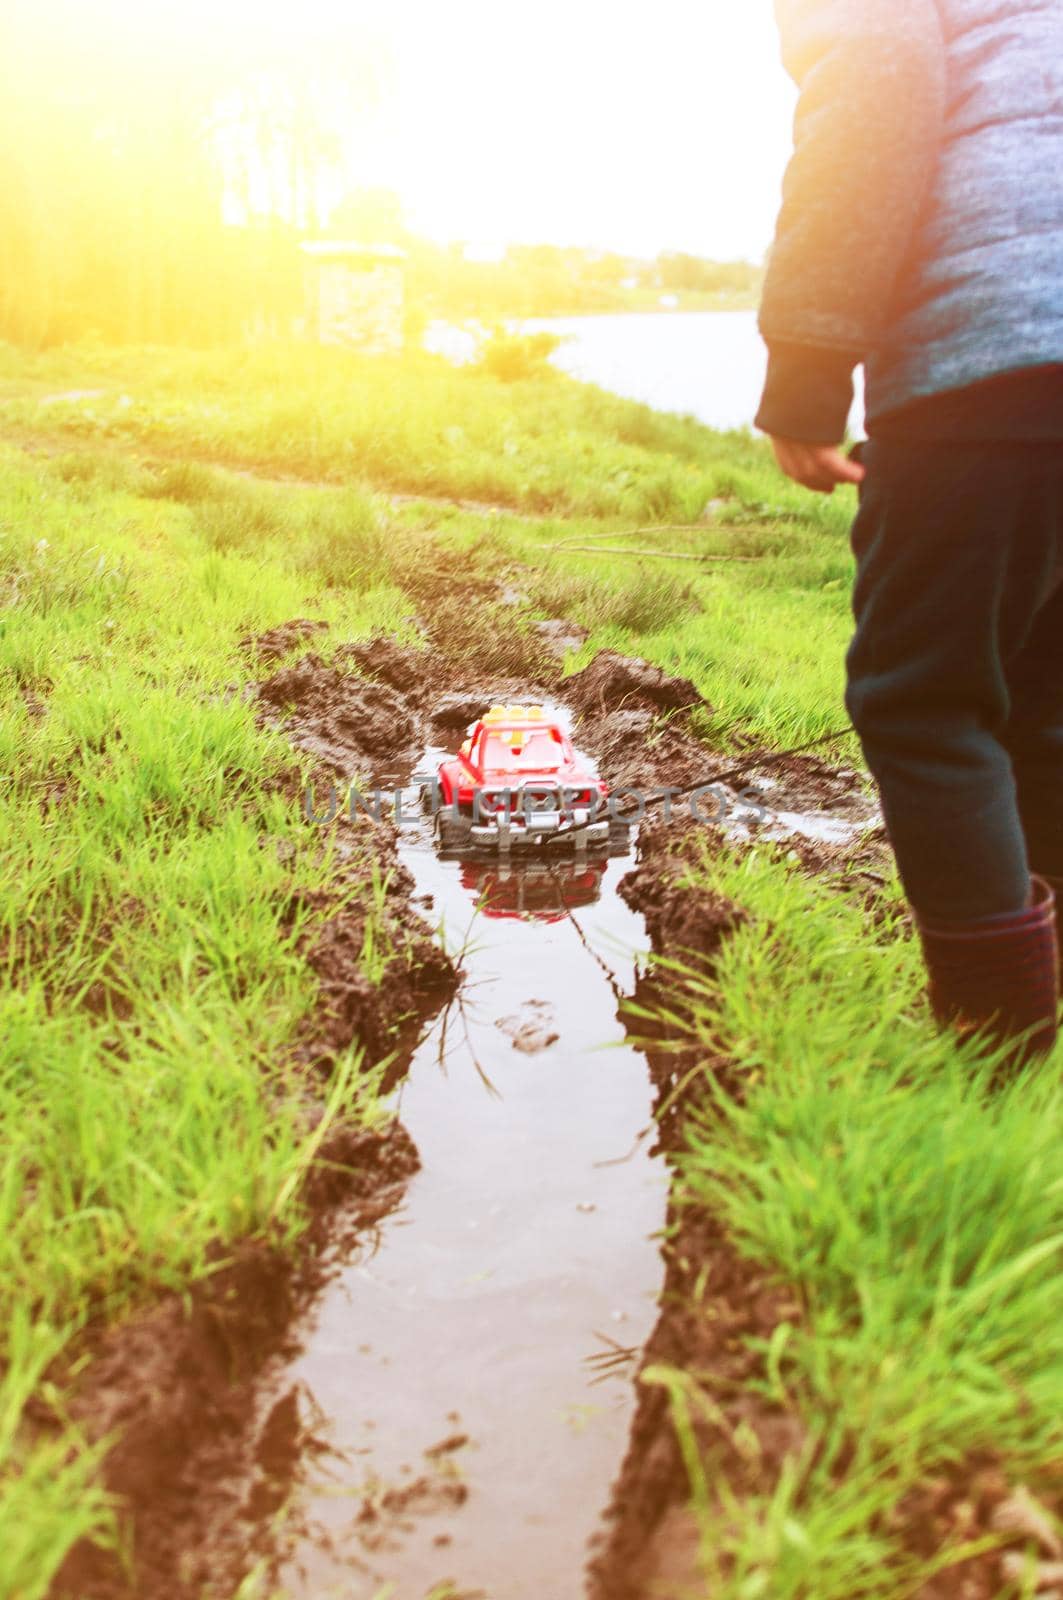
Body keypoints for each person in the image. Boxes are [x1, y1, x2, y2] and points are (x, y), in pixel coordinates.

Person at [755, 0, 1063, 1060]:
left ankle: (998, 1052)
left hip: (989, 352)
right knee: (1045, 695)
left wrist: (804, 361)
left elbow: (870, 97)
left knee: (924, 697)